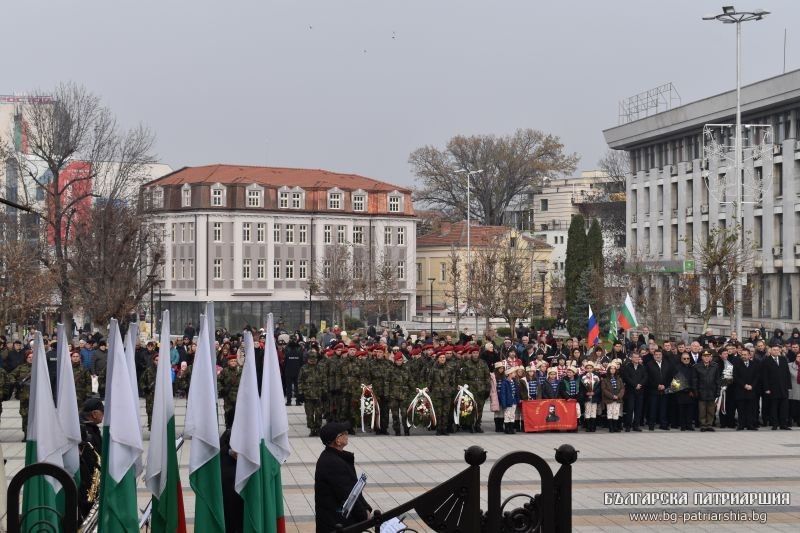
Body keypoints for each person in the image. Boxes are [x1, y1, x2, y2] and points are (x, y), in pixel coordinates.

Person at [314, 422, 372, 533]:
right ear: (337, 440)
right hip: (336, 524)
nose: (347, 434)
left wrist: (365, 508)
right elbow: (347, 494)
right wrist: (364, 515)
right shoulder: (333, 463)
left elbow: (354, 490)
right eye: (344, 433)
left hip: (337, 521)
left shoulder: (335, 457)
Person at [761, 345, 792, 430]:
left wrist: (789, 386)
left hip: (783, 388)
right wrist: (766, 388)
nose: (776, 351)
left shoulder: (783, 359)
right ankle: (775, 424)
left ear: (780, 351)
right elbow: (764, 376)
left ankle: (783, 424)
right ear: (770, 351)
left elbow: (787, 373)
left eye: (777, 350)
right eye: (774, 350)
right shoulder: (766, 361)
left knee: (784, 407)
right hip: (772, 388)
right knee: (773, 407)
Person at [694, 351, 720, 432]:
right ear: (702, 357)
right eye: (705, 356)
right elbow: (695, 380)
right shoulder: (697, 366)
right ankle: (703, 425)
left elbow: (717, 379)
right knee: (702, 410)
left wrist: (718, 390)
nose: (706, 358)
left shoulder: (715, 366)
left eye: (708, 356)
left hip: (712, 391)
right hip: (701, 391)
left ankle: (709, 425)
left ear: (710, 357)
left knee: (711, 410)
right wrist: (695, 391)